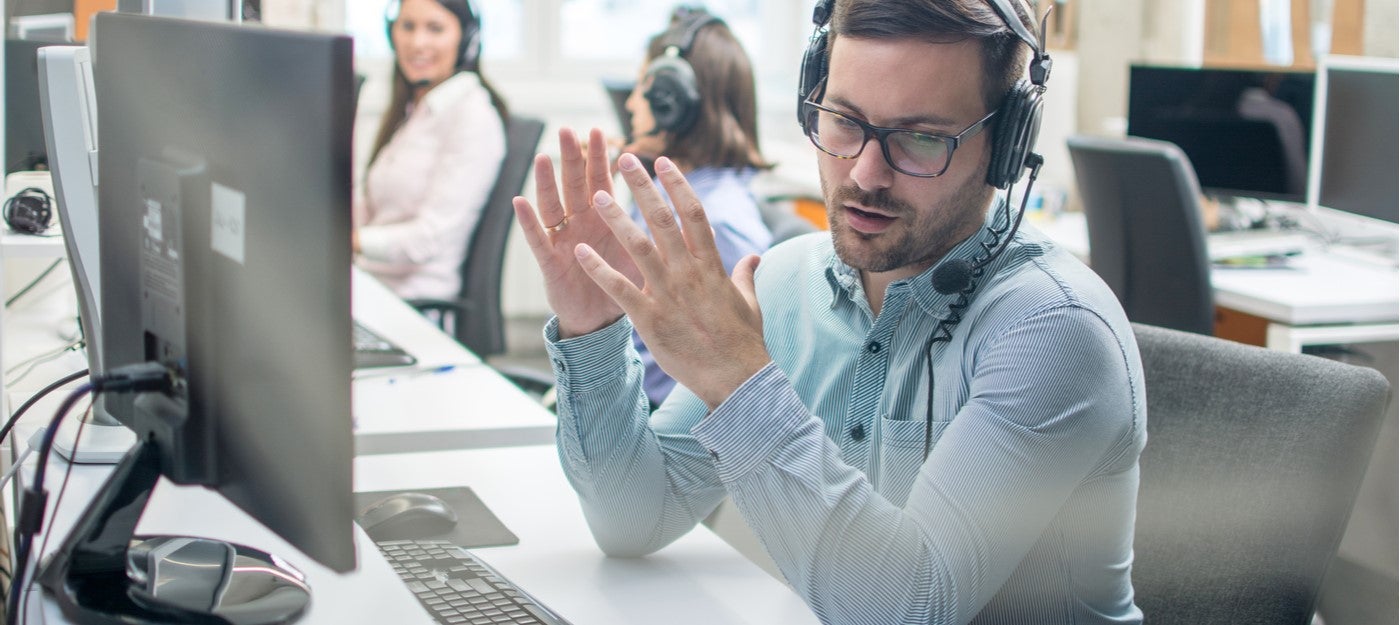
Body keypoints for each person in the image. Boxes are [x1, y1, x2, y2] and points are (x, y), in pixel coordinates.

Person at [514, 0, 1146, 623]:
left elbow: (907, 610)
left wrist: (740, 383)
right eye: (844, 120)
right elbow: (634, 517)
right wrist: (592, 327)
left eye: (922, 138)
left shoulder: (1054, 329)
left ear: (1007, 146)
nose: (865, 174)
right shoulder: (790, 281)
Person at [620, 7, 774, 407]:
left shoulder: (714, 223)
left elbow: (740, 382)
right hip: (634, 396)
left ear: (674, 101)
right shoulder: (672, 193)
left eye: (642, 89)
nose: (632, 104)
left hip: (665, 423)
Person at [353, 0, 508, 301]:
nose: (417, 42)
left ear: (466, 39)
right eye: (408, 26)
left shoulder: (472, 117)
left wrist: (352, 241)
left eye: (435, 29)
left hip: (411, 303)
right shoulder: (416, 110)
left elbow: (429, 239)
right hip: (370, 287)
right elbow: (376, 209)